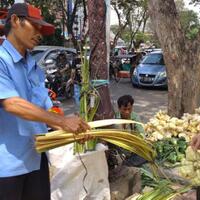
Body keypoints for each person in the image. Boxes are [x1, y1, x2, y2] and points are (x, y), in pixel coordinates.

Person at [0, 3, 90, 200]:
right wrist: (62, 122)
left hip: (36, 159)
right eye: (35, 26)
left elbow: (46, 109)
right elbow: (11, 103)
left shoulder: (33, 66)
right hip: (7, 166)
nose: (40, 33)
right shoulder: (1, 61)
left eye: (42, 28)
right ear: (15, 21)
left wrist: (69, 130)